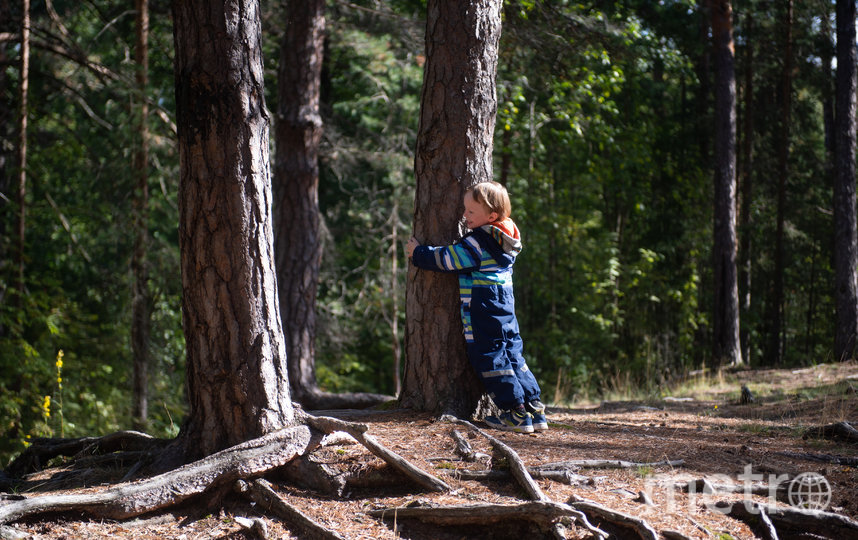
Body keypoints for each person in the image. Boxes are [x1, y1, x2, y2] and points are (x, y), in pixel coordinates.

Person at [406, 181, 547, 433]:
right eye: (465, 209)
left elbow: (448, 258)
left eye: (471, 211)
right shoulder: (506, 238)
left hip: (484, 303)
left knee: (489, 355)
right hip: (504, 303)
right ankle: (533, 408)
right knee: (512, 353)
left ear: (491, 216)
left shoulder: (479, 243)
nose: (464, 215)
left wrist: (419, 253)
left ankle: (515, 412)